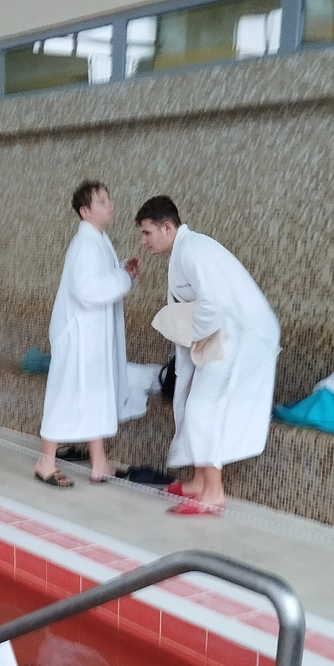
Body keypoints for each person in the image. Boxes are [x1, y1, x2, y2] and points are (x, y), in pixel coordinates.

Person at [135, 196, 280, 515]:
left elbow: (213, 304)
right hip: (225, 336)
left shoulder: (193, 251)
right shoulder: (185, 251)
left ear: (167, 227)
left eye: (147, 233)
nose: (143, 241)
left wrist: (190, 333)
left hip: (245, 337)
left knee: (202, 408)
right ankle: (200, 482)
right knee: (193, 402)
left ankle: (214, 493)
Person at [35, 181, 142, 487]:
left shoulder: (97, 240)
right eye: (102, 200)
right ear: (85, 211)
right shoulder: (84, 244)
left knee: (95, 394)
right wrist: (122, 276)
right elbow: (86, 289)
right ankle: (45, 460)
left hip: (91, 337)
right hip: (78, 336)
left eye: (109, 198)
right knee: (65, 394)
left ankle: (99, 463)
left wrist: (124, 271)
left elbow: (99, 280)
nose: (110, 204)